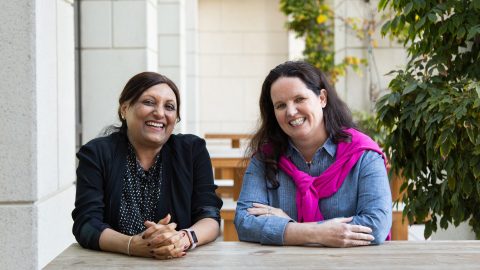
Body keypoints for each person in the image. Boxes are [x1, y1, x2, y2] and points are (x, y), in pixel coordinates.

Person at [234, 61, 392, 247]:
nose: (291, 112)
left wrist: (291, 227)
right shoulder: (265, 159)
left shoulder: (364, 155)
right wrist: (315, 233)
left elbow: (376, 226)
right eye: (280, 105)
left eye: (299, 99)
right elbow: (244, 222)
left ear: (322, 98)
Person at [72, 72, 222, 259]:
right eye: (149, 102)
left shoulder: (192, 151)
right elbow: (86, 224)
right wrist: (131, 245)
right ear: (125, 109)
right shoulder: (96, 153)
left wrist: (181, 239)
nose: (159, 113)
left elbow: (210, 216)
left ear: (175, 119)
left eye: (169, 107)